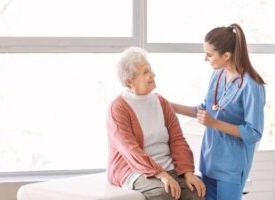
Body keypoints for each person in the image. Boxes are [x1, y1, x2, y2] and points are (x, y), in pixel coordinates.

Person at [172, 24, 266, 200]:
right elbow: (204, 111)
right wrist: (170, 106)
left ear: (226, 55)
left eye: (209, 55)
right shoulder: (217, 75)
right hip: (209, 163)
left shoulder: (252, 86)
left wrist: (214, 124)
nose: (205, 59)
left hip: (231, 168)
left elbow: (254, 132)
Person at [106, 46, 206, 200]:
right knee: (165, 193)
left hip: (166, 166)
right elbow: (130, 150)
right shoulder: (118, 108)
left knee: (195, 192)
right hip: (133, 169)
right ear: (129, 81)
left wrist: (187, 172)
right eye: (146, 72)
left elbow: (177, 139)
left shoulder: (161, 102)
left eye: (150, 70)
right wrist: (160, 174)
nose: (153, 75)